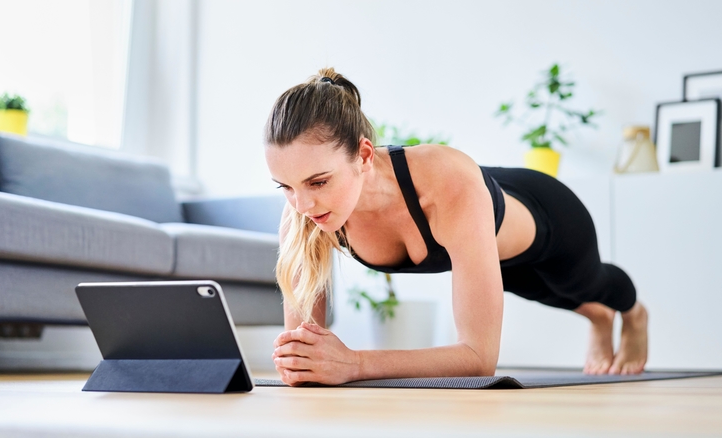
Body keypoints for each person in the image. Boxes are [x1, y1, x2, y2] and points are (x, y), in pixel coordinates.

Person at [264, 68, 648, 386]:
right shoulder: (302, 215)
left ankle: (632, 315)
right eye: (286, 187)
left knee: (583, 285)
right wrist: (305, 362)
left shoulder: (445, 182)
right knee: (544, 293)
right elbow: (304, 357)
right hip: (482, 238)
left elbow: (480, 360)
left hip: (547, 218)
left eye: (318, 182)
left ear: (364, 155)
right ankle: (598, 317)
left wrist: (355, 363)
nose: (302, 204)